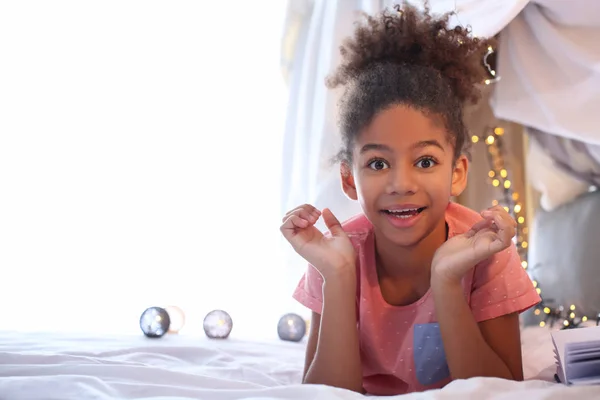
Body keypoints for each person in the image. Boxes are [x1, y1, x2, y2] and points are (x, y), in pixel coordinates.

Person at [280, 2, 541, 396]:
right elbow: (324, 394)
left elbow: (504, 391)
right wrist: (337, 278)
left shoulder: (486, 251)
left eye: (424, 160)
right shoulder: (335, 257)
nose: (401, 183)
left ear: (457, 173)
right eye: (378, 163)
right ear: (350, 181)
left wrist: (446, 280)